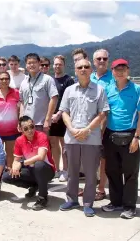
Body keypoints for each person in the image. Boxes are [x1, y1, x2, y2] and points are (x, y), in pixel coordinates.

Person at [59, 59, 109, 217]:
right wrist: (72, 129)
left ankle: (88, 203)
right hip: (72, 137)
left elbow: (103, 113)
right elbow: (64, 112)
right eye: (79, 67)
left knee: (90, 172)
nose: (83, 69)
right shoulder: (69, 90)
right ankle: (72, 199)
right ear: (75, 71)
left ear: (90, 70)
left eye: (86, 67)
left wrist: (87, 129)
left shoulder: (99, 90)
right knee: (72, 171)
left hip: (91, 138)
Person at [102, 59, 140, 219]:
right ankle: (116, 202)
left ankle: (130, 206)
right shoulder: (107, 89)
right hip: (110, 134)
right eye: (117, 69)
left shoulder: (137, 89)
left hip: (130, 134)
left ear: (128, 70)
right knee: (112, 170)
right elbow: (104, 114)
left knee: (130, 172)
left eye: (123, 68)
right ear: (113, 72)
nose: (120, 71)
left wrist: (137, 137)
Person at [2, 116, 55, 210]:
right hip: (31, 170)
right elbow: (16, 160)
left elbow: (41, 157)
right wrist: (15, 167)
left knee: (39, 164)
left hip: (47, 170)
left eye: (32, 126)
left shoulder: (42, 136)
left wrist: (21, 164)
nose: (30, 130)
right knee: (6, 176)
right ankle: (34, 186)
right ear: (21, 129)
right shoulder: (19, 140)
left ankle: (43, 198)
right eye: (26, 129)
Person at [90, 49, 113, 201]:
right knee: (90, 159)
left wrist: (103, 128)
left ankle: (101, 189)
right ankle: (90, 187)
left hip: (106, 125)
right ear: (94, 61)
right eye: (99, 58)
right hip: (89, 125)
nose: (102, 60)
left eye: (105, 58)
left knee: (103, 159)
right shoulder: (89, 76)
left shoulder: (113, 78)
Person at [49, 55, 74, 181]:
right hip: (51, 117)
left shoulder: (69, 80)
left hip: (64, 116)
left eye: (60, 64)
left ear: (64, 65)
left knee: (64, 144)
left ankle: (65, 169)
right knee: (53, 144)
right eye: (56, 64)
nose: (57, 66)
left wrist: (59, 113)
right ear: (53, 65)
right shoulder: (50, 80)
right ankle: (56, 169)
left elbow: (69, 100)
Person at [0, 71, 20, 168]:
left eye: (6, 78)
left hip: (13, 129)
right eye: (1, 79)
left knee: (11, 154)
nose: (4, 81)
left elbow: (20, 109)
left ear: (9, 80)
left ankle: (9, 172)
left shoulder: (16, 93)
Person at [19, 53, 58, 133]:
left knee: (42, 145)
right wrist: (21, 121)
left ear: (39, 63)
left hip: (41, 124)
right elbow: (22, 103)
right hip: (26, 124)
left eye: (34, 62)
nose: (32, 65)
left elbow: (54, 98)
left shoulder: (47, 79)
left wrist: (48, 120)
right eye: (29, 63)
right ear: (26, 65)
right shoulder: (23, 83)